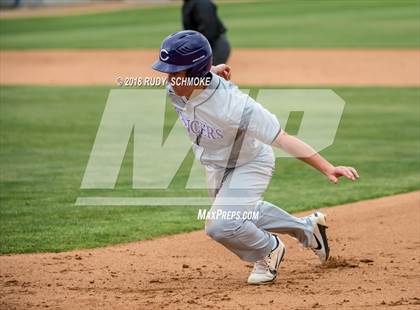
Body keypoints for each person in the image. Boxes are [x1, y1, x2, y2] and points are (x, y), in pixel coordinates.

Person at [152, 31, 359, 285]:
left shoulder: (235, 106)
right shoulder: (178, 88)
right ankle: (309, 230)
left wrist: (327, 167)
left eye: (176, 72)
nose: (169, 79)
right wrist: (213, 70)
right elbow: (203, 80)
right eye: (168, 71)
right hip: (215, 165)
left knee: (220, 225)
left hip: (250, 163)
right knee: (241, 214)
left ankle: (269, 250)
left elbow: (284, 138)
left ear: (195, 70)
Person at [182, 0, 230, 65]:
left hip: (214, 45)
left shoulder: (201, 3)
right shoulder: (189, 3)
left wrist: (200, 52)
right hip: (206, 44)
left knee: (207, 72)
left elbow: (210, 30)